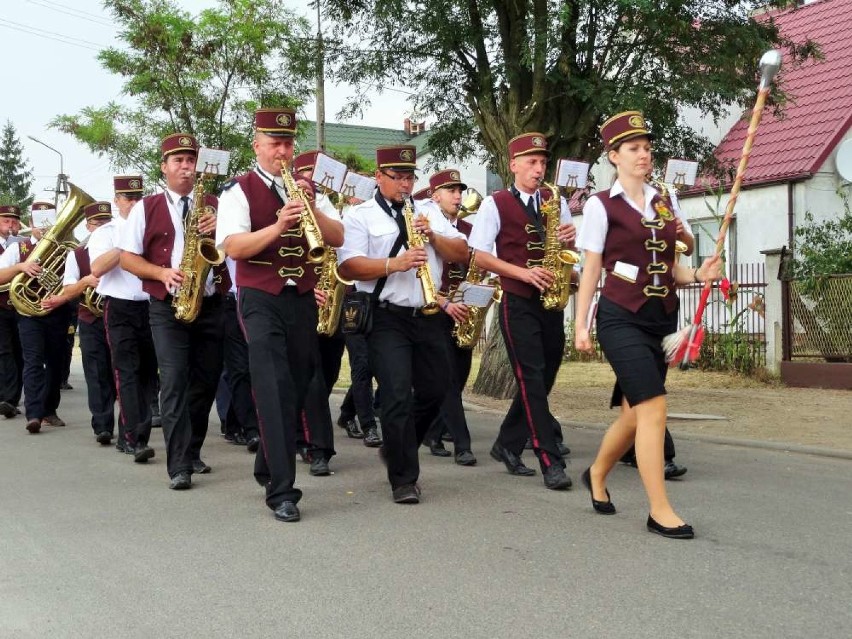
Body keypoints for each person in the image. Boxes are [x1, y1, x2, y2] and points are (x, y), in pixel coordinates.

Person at [574, 110, 721, 539]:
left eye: (647, 148)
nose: (644, 155)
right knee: (654, 406)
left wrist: (698, 275)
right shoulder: (602, 206)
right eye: (634, 149)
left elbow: (670, 269)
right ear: (614, 155)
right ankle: (660, 510)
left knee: (636, 415)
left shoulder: (665, 201)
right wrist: (581, 325)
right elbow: (592, 270)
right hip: (619, 318)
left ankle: (597, 474)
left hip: (662, 319)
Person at [216, 107, 344, 523]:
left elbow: (338, 236)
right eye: (275, 144)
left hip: (302, 297)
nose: (283, 152)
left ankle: (266, 466)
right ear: (257, 146)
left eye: (288, 144)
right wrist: (277, 225)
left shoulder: (308, 188)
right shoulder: (238, 190)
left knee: (298, 384)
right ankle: (283, 492)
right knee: (272, 386)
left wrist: (313, 207)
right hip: (259, 298)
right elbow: (233, 247)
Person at [337, 144, 468, 504]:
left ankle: (399, 448)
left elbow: (461, 253)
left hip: (427, 314)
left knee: (437, 389)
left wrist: (434, 237)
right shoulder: (361, 216)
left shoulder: (428, 211)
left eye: (410, 178)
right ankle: (404, 479)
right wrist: (393, 264)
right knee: (395, 393)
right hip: (385, 316)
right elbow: (348, 267)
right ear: (379, 177)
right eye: (398, 178)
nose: (405, 185)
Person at [119, 134, 229, 489]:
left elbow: (234, 249)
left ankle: (192, 449)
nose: (185, 166)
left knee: (206, 381)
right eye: (178, 160)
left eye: (190, 159)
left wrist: (221, 234)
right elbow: (127, 258)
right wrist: (161, 272)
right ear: (164, 166)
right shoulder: (145, 207)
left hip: (210, 301)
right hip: (167, 306)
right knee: (176, 379)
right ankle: (178, 463)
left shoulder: (215, 203)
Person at [467, 132, 576, 490]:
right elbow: (480, 255)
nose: (539, 169)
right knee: (531, 377)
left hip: (550, 301)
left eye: (543, 162)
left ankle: (507, 443)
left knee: (544, 378)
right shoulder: (494, 203)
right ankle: (549, 459)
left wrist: (570, 243)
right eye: (531, 162)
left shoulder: (554, 201)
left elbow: (567, 252)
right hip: (516, 300)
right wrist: (522, 272)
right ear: (513, 165)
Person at [89, 175, 160, 458]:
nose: (133, 203)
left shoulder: (151, 227)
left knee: (147, 374)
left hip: (151, 306)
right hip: (119, 307)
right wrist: (126, 244)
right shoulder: (106, 232)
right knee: (127, 372)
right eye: (127, 199)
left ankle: (128, 434)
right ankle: (135, 438)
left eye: (137, 198)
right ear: (117, 201)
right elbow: (96, 268)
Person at [42, 201, 116, 445]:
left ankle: (133, 425)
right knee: (96, 374)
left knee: (124, 372)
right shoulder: (77, 254)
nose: (103, 228)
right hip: (91, 317)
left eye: (107, 223)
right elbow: (68, 289)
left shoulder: (122, 247)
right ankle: (103, 425)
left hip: (120, 315)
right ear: (88, 225)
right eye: (98, 223)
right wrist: (85, 281)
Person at [0, 204, 73, 434]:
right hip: (28, 314)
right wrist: (21, 266)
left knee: (55, 362)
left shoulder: (64, 250)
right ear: (30, 225)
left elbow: (72, 280)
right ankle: (33, 413)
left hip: (57, 312)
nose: (44, 227)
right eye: (39, 222)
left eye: (48, 221)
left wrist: (59, 297)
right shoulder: (18, 248)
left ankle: (49, 410)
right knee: (32, 361)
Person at [421, 169, 477, 466]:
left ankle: (433, 430)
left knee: (461, 375)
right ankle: (463, 445)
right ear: (435, 196)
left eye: (459, 190)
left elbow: (478, 263)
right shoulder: (423, 224)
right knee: (447, 375)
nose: (457, 195)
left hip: (465, 309)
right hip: (435, 307)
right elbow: (422, 275)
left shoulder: (469, 227)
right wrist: (444, 302)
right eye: (450, 190)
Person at [0, 205, 24, 419]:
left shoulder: (23, 246)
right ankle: (7, 397)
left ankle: (11, 397)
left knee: (18, 352)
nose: (11, 225)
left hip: (19, 305)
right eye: (6, 221)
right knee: (5, 351)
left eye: (14, 222)